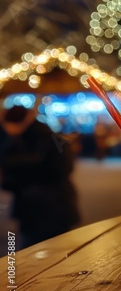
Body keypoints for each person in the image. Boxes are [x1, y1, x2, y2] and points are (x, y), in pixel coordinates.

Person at [0, 105, 80, 248]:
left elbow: (54, 168)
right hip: (53, 204)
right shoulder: (48, 136)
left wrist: (10, 174)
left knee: (38, 252)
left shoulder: (35, 140)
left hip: (46, 206)